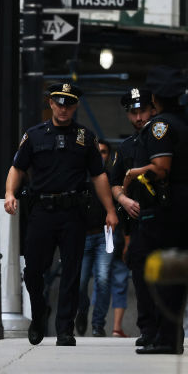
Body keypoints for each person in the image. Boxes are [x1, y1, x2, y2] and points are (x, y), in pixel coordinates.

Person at [4, 83, 118, 346]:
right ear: (51, 104)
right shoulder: (34, 135)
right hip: (41, 211)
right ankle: (40, 311)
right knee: (33, 269)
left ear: (75, 106)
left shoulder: (85, 138)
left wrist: (110, 210)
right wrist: (10, 193)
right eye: (59, 103)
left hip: (73, 212)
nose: (64, 108)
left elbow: (99, 176)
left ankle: (64, 328)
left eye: (69, 103)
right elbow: (17, 168)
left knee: (71, 271)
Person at [122, 67, 188, 354]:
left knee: (157, 267)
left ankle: (165, 338)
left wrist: (131, 175)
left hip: (167, 204)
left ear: (155, 98)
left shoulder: (159, 126)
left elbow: (160, 168)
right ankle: (171, 336)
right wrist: (187, 177)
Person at [109, 87, 159, 345]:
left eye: (142, 111)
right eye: (133, 113)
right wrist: (123, 199)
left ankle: (164, 326)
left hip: (164, 214)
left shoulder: (162, 136)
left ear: (152, 109)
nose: (138, 118)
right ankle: (148, 328)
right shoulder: (126, 146)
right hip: (137, 217)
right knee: (140, 275)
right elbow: (115, 182)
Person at [75, 139, 114, 337]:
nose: (100, 155)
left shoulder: (111, 177)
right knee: (80, 283)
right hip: (82, 236)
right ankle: (82, 311)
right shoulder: (79, 176)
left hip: (104, 235)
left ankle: (98, 325)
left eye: (104, 152)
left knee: (103, 280)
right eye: (97, 151)